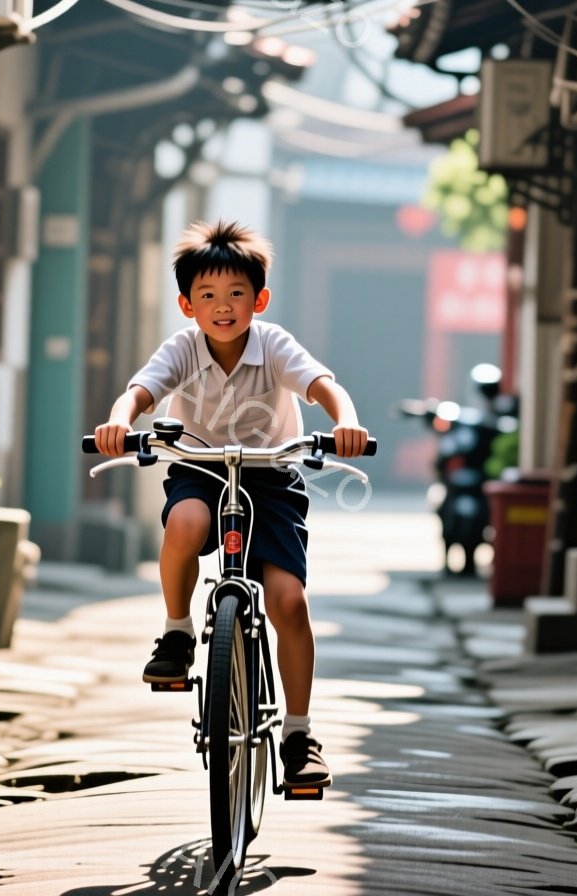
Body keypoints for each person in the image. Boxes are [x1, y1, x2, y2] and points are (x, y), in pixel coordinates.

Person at [92, 219, 370, 788]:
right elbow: (140, 392)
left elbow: (321, 386)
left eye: (237, 294)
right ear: (186, 304)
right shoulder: (182, 349)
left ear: (259, 299)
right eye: (208, 296)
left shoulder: (274, 345)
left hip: (270, 477)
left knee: (288, 601)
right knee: (186, 523)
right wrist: (119, 422)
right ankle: (176, 631)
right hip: (200, 469)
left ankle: (298, 733)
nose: (223, 306)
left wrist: (346, 422)